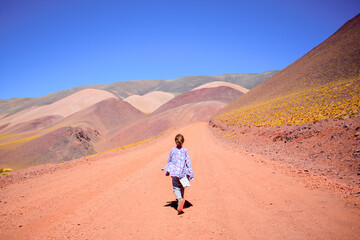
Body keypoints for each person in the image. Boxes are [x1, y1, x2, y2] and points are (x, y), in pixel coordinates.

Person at [162, 134, 194, 213]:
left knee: (176, 188)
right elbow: (188, 163)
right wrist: (190, 173)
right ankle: (181, 200)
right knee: (182, 187)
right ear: (183, 141)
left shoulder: (172, 150)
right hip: (183, 173)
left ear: (175, 141)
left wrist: (167, 171)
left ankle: (180, 199)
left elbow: (169, 161)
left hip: (175, 173)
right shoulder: (185, 151)